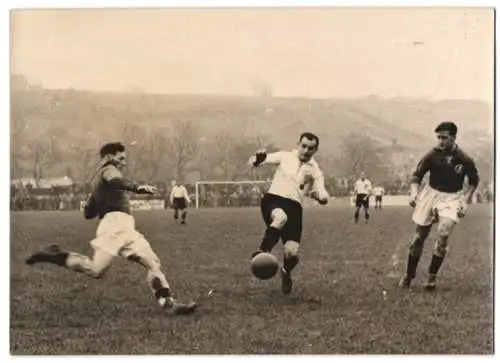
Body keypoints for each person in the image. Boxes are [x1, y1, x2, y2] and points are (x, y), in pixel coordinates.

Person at [25, 142, 197, 314]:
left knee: (152, 262)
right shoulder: (109, 169)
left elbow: (88, 213)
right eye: (121, 158)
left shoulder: (100, 179)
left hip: (126, 227)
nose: (124, 162)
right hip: (114, 226)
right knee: (95, 270)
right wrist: (137, 187)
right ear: (108, 157)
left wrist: (96, 198)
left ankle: (168, 304)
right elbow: (115, 180)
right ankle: (54, 255)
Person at [400, 121, 479, 290]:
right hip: (430, 194)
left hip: (452, 197)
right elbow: (416, 176)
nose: (440, 141)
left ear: (453, 138)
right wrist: (414, 193)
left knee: (443, 234)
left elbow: (473, 181)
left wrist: (465, 200)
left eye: (444, 137)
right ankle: (409, 275)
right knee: (418, 238)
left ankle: (431, 277)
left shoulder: (464, 159)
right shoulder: (432, 155)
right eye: (438, 137)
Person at [248, 132, 330, 294]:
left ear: (315, 150)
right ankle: (262, 253)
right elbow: (256, 162)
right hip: (274, 200)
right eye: (303, 146)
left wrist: (321, 197)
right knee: (280, 218)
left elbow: (322, 192)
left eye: (311, 148)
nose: (306, 151)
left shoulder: (315, 171)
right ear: (298, 144)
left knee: (292, 253)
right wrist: (257, 159)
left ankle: (286, 272)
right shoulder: (285, 156)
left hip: (295, 209)